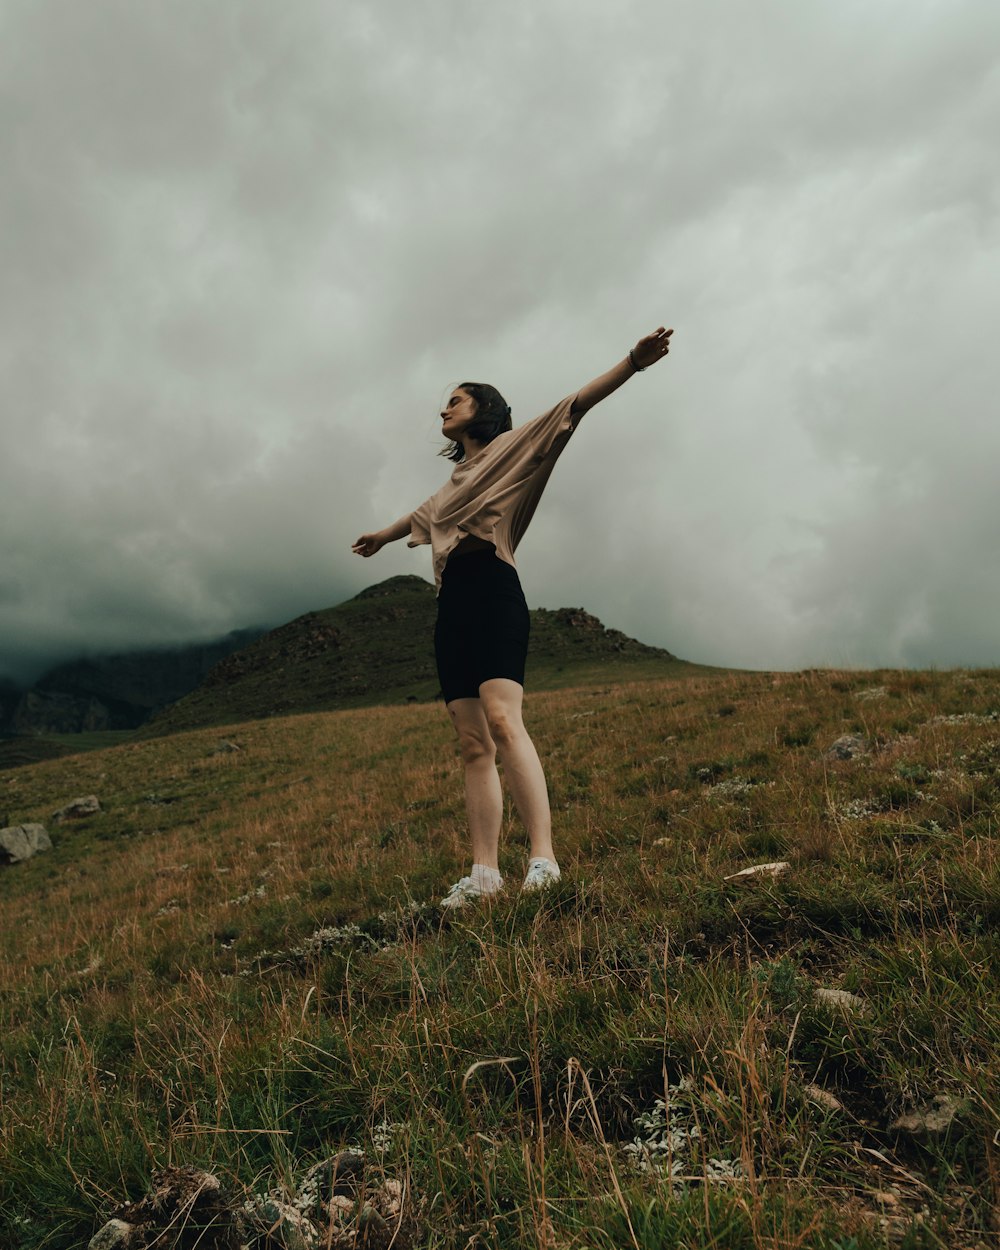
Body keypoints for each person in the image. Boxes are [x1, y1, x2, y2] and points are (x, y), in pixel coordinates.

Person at [352, 326, 673, 908]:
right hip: (452, 606)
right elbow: (420, 516)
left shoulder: (516, 447)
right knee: (473, 744)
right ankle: (483, 876)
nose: (443, 409)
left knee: (504, 720)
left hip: (494, 590)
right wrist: (380, 536)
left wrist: (632, 362)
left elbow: (576, 403)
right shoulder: (451, 485)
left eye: (454, 400)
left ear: (483, 410)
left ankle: (543, 860)